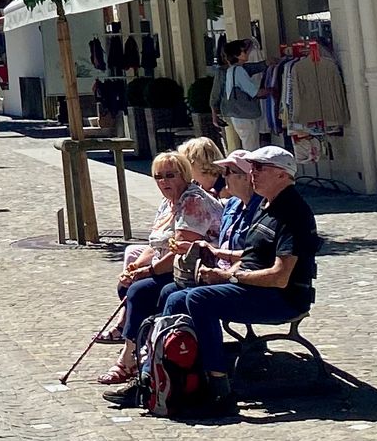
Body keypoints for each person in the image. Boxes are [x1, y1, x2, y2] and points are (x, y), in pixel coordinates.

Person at [155, 145, 317, 406]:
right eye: (252, 167)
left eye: (260, 168)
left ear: (283, 175)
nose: (253, 173)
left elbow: (279, 276)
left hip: (281, 298)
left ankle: (218, 384)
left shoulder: (293, 212)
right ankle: (170, 374)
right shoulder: (267, 205)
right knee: (173, 294)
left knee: (199, 299)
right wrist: (219, 253)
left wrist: (227, 277)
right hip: (255, 288)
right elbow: (253, 254)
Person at [97, 146, 226, 389]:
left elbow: (182, 250)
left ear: (185, 174)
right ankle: (146, 347)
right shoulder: (168, 203)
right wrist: (136, 266)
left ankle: (129, 359)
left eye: (170, 175)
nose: (164, 181)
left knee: (140, 291)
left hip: (197, 269)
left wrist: (148, 271)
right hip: (173, 267)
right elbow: (156, 245)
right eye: (158, 176)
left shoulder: (192, 201)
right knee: (128, 285)